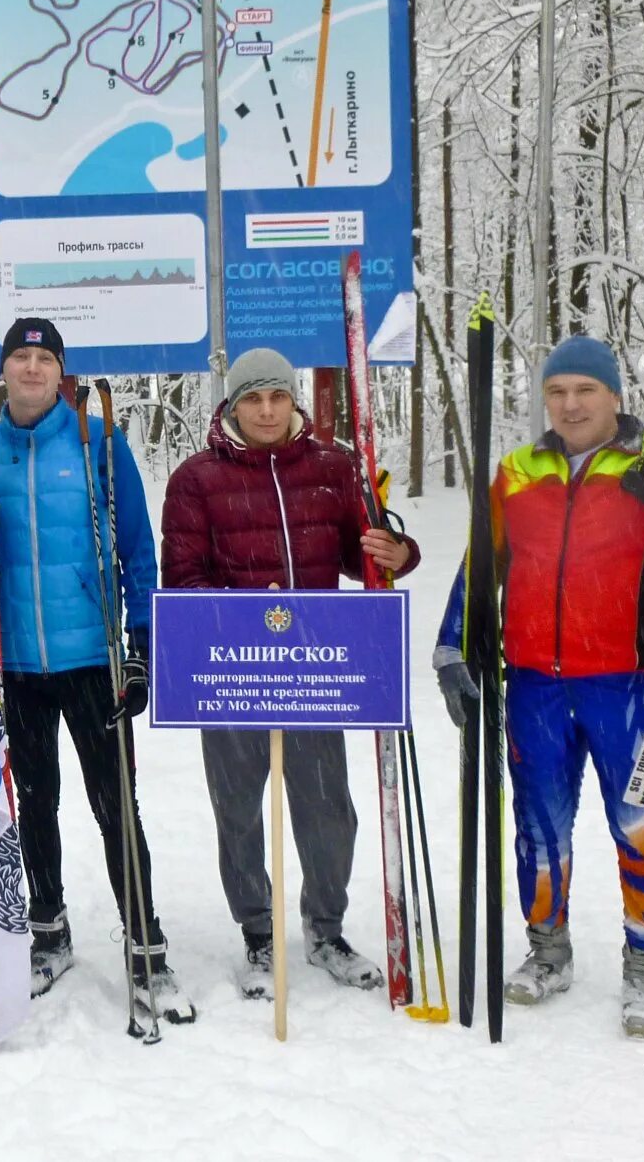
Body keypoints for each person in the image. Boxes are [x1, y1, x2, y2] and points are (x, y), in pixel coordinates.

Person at [431, 336, 644, 1040]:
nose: (569, 404)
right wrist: (452, 649)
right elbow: (482, 567)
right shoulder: (515, 474)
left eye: (585, 391)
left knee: (639, 827)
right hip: (533, 683)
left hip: (627, 689)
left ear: (614, 397)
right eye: (557, 391)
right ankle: (549, 951)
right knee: (538, 830)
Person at [160, 347, 419, 1001]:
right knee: (240, 812)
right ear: (234, 404)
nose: (267, 410)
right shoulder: (196, 478)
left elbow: (371, 557)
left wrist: (399, 550)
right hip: (232, 675)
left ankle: (325, 929)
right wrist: (244, 625)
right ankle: (257, 934)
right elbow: (184, 581)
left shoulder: (335, 467)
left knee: (329, 809)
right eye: (253, 398)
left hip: (315, 669)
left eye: (277, 396)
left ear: (294, 399)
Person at [0, 318, 192, 1022]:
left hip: (91, 657)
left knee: (114, 806)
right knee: (35, 803)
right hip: (16, 664)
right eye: (22, 357)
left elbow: (137, 546)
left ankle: (145, 946)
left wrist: (138, 644)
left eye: (46, 358)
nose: (34, 369)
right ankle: (47, 931)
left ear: (60, 372)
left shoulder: (98, 445)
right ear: (3, 369)